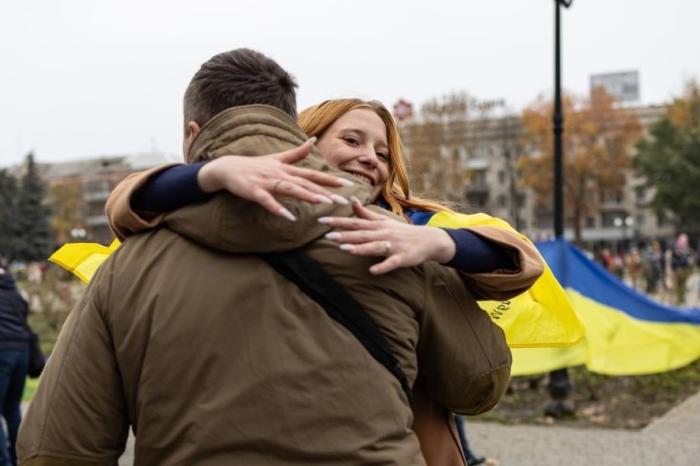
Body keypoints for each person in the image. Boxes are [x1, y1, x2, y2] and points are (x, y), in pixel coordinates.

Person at [18, 49, 539, 466]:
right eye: (353, 140)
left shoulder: (127, 267)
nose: (371, 159)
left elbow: (57, 447)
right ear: (299, 134)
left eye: (382, 151)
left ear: (193, 137)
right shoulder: (390, 244)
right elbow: (481, 380)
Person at [0, 267, 30, 466]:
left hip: (2, 351)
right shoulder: (15, 291)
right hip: (22, 352)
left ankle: (3, 461)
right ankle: (17, 458)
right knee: (12, 409)